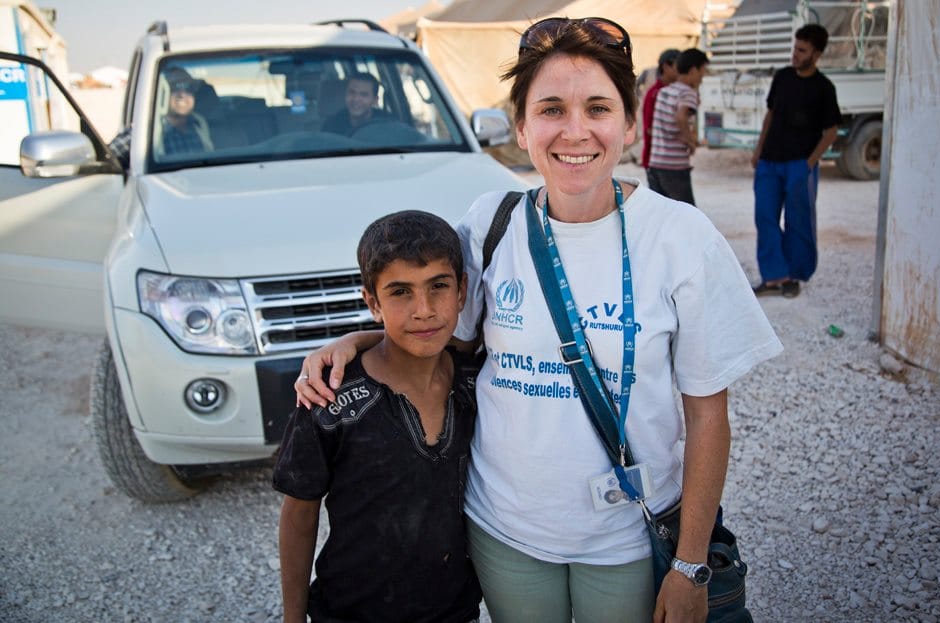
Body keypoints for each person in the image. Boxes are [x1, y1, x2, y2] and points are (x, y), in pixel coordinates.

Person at [297, 17, 782, 623]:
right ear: (521, 127)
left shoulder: (682, 238)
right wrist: (359, 338)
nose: (575, 132)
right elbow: (441, 331)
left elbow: (708, 414)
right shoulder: (490, 223)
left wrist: (688, 566)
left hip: (628, 539)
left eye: (598, 108)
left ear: (628, 124)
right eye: (551, 109)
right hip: (505, 531)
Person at [273, 210, 481, 623]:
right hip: (351, 611)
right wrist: (293, 618)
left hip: (454, 611)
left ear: (461, 292)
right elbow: (299, 514)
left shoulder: (478, 382)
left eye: (438, 286)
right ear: (372, 302)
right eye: (400, 292)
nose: (423, 310)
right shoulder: (329, 398)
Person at [751, 24, 842, 298]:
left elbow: (831, 132)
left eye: (802, 50)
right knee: (765, 218)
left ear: (816, 54)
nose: (795, 54)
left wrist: (810, 163)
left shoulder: (824, 88)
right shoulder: (782, 77)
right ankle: (772, 277)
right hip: (769, 162)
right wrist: (758, 150)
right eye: (795, 47)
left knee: (798, 222)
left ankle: (794, 276)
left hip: (799, 166)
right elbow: (770, 115)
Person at [647, 48, 709, 205]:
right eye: (703, 71)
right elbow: (681, 116)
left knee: (661, 216)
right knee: (686, 217)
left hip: (655, 165)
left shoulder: (664, 91)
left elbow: (664, 124)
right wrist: (690, 142)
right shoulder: (688, 93)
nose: (703, 76)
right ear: (694, 70)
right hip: (674, 167)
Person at [641, 49, 680, 172]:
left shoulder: (675, 91)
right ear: (666, 66)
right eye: (678, 66)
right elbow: (650, 129)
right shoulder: (655, 94)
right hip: (659, 162)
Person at [159, 68, 213, 155]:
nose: (182, 94)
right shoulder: (154, 129)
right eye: (174, 87)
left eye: (188, 87)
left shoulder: (199, 122)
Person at [321, 73, 388, 135]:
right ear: (345, 94)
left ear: (375, 100)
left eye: (364, 94)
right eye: (351, 92)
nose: (356, 99)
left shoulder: (387, 124)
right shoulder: (331, 126)